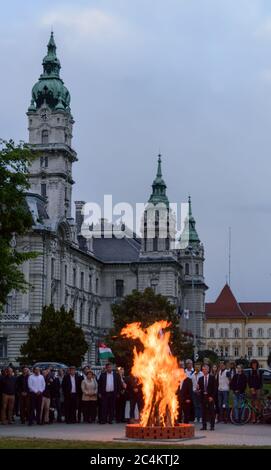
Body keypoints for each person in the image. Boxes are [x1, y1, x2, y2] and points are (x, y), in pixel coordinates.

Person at [198, 364, 216, 431]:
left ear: (208, 370)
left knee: (211, 412)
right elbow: (199, 389)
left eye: (205, 369)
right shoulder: (200, 379)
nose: (204, 371)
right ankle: (204, 426)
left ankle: (212, 426)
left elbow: (214, 388)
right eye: (203, 369)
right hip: (203, 397)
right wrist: (198, 390)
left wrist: (212, 397)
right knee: (203, 412)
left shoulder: (212, 378)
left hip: (210, 397)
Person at [248, 359, 263, 423]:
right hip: (252, 389)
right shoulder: (250, 372)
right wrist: (251, 388)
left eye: (255, 364)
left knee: (258, 403)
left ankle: (259, 418)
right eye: (253, 364)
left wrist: (259, 389)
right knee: (252, 404)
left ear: (257, 365)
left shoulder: (259, 372)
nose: (254, 365)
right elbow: (249, 381)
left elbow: (261, 382)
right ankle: (253, 418)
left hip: (258, 389)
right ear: (251, 365)